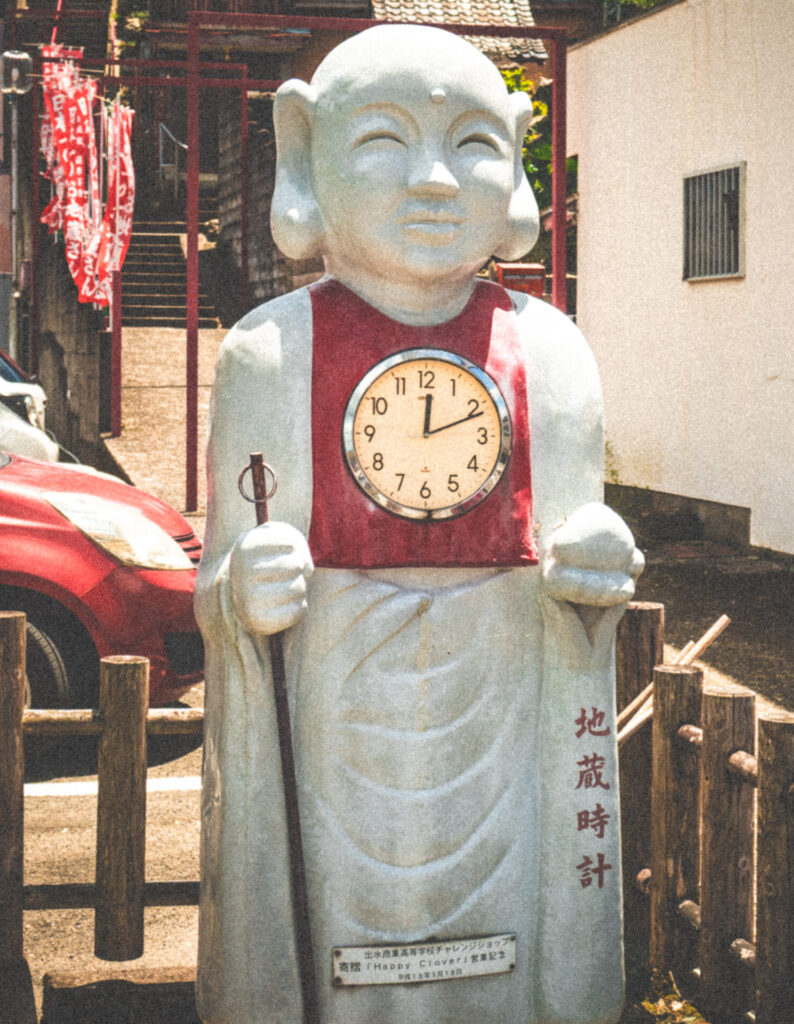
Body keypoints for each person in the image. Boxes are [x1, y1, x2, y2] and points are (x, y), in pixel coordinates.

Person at [195, 24, 643, 1024]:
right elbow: (221, 577)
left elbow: (579, 558)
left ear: (517, 157)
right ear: (303, 148)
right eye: (384, 142)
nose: (435, 181)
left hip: (504, 701)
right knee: (333, 918)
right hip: (331, 711)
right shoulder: (270, 353)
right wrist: (239, 594)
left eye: (473, 144)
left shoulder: (551, 354)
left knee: (509, 931)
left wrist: (591, 571)